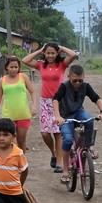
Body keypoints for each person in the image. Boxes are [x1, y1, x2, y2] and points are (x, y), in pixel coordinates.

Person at [23, 42, 79, 172]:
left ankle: (59, 162)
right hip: (45, 102)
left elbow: (73, 55)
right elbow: (25, 60)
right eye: (48, 53)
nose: (50, 55)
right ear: (45, 53)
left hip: (59, 101)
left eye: (53, 53)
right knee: (45, 133)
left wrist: (61, 47)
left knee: (58, 133)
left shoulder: (62, 65)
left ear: (57, 53)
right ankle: (54, 154)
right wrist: (40, 50)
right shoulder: (41, 65)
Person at [51, 63, 102, 178]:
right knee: (67, 140)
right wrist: (57, 116)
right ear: (69, 77)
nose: (77, 83)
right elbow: (55, 99)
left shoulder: (86, 86)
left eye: (80, 81)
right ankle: (65, 170)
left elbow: (96, 98)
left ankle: (88, 146)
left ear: (83, 78)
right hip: (65, 116)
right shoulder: (64, 86)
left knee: (89, 120)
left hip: (78, 113)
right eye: (74, 80)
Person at [0, 55, 36, 150]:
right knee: (11, 143)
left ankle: (22, 162)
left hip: (23, 115)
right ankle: (12, 163)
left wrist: (34, 105)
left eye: (16, 67)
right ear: (6, 67)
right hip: (8, 116)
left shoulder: (23, 77)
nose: (14, 69)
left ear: (19, 68)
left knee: (21, 141)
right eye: (11, 67)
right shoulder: (1, 81)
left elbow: (32, 91)